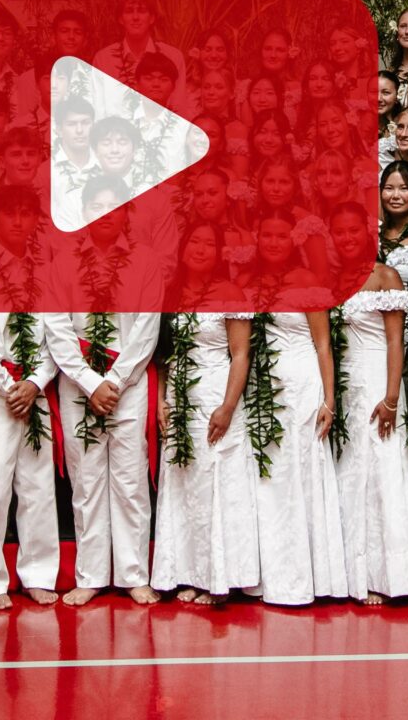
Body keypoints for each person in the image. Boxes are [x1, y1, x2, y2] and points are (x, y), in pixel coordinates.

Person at [43, 179, 161, 605]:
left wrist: (117, 379)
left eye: (115, 205)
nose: (106, 213)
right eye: (98, 205)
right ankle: (90, 574)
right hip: (79, 383)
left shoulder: (145, 261)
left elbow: (147, 326)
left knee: (130, 481)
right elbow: (56, 328)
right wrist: (91, 382)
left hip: (128, 383)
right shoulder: (63, 262)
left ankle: (133, 574)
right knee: (87, 481)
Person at [0, 186, 64, 609]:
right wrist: (9, 386)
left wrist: (36, 382)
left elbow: (57, 334)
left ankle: (38, 573)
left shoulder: (47, 270)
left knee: (38, 487)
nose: (19, 222)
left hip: (34, 390)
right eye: (10, 214)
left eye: (26, 214)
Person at [239, 212, 348, 605]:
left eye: (280, 236)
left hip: (301, 386)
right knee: (268, 478)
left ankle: (305, 577)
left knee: (300, 472)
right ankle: (269, 574)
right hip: (262, 388)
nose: (272, 242)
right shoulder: (249, 281)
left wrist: (329, 399)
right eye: (265, 235)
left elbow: (323, 344)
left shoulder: (307, 281)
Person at [151, 223, 259, 604]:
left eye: (208, 244)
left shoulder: (230, 292)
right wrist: (161, 399)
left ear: (219, 253)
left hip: (216, 393)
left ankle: (221, 578)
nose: (200, 249)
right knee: (186, 485)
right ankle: (190, 573)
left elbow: (240, 355)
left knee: (217, 482)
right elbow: (163, 355)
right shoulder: (174, 293)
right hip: (180, 397)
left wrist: (228, 407)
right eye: (194, 242)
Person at [326, 204, 408, 603]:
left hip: (380, 381)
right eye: (341, 232)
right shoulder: (329, 278)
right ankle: (351, 575)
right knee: (349, 470)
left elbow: (395, 341)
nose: (349, 239)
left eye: (355, 231)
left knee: (382, 468)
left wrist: (392, 397)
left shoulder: (386, 276)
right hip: (346, 383)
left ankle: (387, 576)